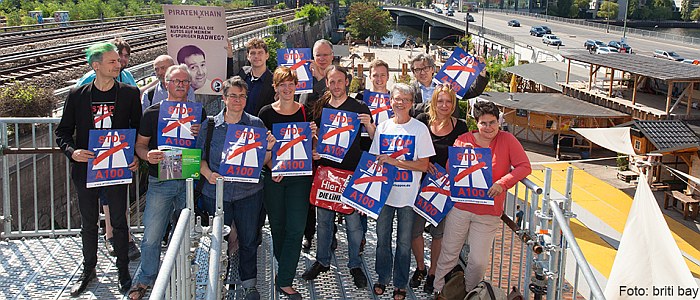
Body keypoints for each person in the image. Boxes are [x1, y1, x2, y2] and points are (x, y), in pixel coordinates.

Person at [55, 42, 141, 297]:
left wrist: (136, 155)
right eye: (112, 61)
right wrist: (73, 152)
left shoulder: (128, 93)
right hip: (86, 169)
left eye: (118, 61)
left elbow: (137, 130)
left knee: (119, 221)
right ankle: (88, 269)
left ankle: (123, 272)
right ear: (96, 66)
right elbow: (62, 133)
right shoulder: (77, 95)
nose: (119, 65)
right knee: (89, 223)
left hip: (116, 168)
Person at [433, 101, 532, 296]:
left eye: (493, 122)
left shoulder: (508, 140)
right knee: (448, 254)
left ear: (498, 121)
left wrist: (502, 183)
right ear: (476, 123)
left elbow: (524, 166)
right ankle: (439, 292)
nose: (489, 128)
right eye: (484, 123)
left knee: (478, 261)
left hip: (488, 212)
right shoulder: (463, 140)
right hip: (461, 207)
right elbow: (449, 169)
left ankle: (471, 294)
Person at [128, 65, 205, 300]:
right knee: (152, 234)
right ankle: (145, 279)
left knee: (183, 233)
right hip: (161, 179)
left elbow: (204, 146)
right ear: (166, 83)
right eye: (176, 81)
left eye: (185, 81)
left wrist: (200, 131)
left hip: (188, 179)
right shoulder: (152, 113)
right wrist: (146, 155)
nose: (181, 85)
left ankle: (175, 275)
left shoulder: (198, 113)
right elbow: (140, 145)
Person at [197, 76, 274, 300]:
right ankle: (218, 282)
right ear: (224, 98)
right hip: (216, 193)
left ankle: (249, 283)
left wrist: (268, 148)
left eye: (241, 96)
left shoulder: (256, 124)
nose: (237, 100)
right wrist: (208, 174)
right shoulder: (210, 125)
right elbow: (199, 158)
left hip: (248, 193)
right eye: (233, 96)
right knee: (219, 242)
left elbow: (263, 161)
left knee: (249, 239)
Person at [301, 66, 375, 289]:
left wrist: (369, 125)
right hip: (326, 172)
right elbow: (315, 138)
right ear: (327, 83)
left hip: (350, 173)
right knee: (323, 222)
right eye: (331, 82)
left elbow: (373, 141)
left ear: (347, 82)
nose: (335, 86)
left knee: (353, 225)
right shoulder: (320, 107)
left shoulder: (359, 107)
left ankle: (354, 265)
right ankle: (322, 260)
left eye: (339, 81)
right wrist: (314, 144)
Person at [74, 38, 141, 259]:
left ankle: (122, 239)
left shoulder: (127, 82)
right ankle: (109, 238)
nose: (121, 62)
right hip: (96, 154)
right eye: (116, 58)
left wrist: (133, 152)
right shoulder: (85, 85)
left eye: (124, 57)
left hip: (119, 151)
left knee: (117, 198)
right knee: (101, 200)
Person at [370, 83, 435, 300]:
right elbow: (375, 162)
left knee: (404, 243)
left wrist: (395, 162)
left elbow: (424, 165)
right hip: (384, 195)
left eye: (406, 99)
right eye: (397, 98)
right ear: (390, 101)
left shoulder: (419, 129)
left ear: (412, 103)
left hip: (408, 196)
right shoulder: (383, 128)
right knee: (382, 240)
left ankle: (400, 282)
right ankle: (382, 277)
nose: (401, 103)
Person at [258, 67, 316, 300]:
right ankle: (285, 271)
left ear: (296, 86)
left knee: (296, 228)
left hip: (300, 179)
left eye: (291, 84)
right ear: (275, 87)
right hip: (274, 178)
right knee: (278, 227)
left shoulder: (305, 111)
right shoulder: (265, 114)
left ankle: (284, 281)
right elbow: (260, 150)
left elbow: (311, 150)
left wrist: (314, 136)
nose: (287, 88)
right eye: (282, 84)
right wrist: (274, 168)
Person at [410, 84, 469, 294]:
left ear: (454, 104)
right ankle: (420, 267)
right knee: (413, 231)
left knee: (438, 233)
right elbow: (409, 149)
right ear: (433, 101)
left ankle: (433, 271)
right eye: (440, 100)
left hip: (445, 189)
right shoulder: (422, 122)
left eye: (449, 101)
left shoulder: (461, 126)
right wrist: (423, 162)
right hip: (419, 185)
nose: (444, 105)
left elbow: (466, 156)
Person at [299, 39, 335, 250]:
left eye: (325, 55)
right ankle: (309, 233)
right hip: (306, 145)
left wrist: (322, 81)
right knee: (309, 193)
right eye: (318, 55)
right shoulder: (304, 80)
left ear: (332, 56)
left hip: (330, 147)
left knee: (330, 190)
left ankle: (330, 235)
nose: (322, 59)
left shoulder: (335, 79)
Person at [353, 58, 392, 252]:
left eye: (382, 75)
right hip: (364, 148)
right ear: (369, 76)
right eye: (375, 75)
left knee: (382, 195)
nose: (379, 79)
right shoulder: (361, 97)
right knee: (362, 193)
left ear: (388, 77)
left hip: (387, 151)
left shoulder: (394, 98)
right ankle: (361, 237)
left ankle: (383, 240)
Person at [409, 53, 488, 118]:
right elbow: (409, 109)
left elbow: (474, 91)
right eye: (418, 70)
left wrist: (481, 72)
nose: (422, 72)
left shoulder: (448, 83)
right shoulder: (410, 90)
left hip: (449, 129)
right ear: (413, 72)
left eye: (425, 68)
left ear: (432, 69)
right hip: (423, 130)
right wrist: (432, 103)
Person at [226, 37, 276, 116]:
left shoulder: (273, 82)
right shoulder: (243, 73)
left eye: (260, 53)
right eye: (253, 53)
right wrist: (229, 57)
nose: (256, 56)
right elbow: (229, 83)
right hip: (238, 124)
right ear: (248, 56)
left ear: (267, 55)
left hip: (259, 126)